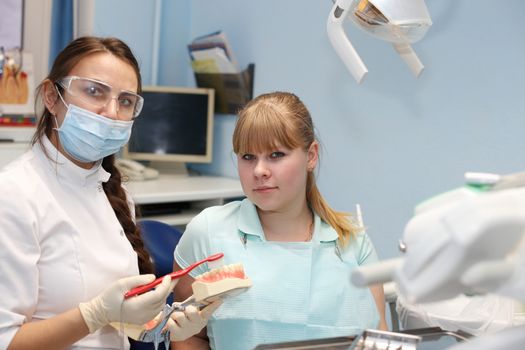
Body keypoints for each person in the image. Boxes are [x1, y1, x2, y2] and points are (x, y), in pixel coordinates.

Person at [0, 36, 219, 349]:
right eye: (94, 91)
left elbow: (122, 326)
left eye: (126, 101)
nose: (111, 112)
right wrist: (93, 315)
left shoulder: (114, 192)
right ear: (51, 96)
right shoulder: (14, 195)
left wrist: (169, 327)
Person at [172, 91, 387, 350]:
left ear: (311, 156)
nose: (260, 170)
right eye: (248, 157)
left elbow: (379, 340)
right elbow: (187, 335)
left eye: (276, 155)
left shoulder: (353, 244)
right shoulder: (207, 232)